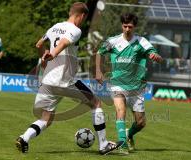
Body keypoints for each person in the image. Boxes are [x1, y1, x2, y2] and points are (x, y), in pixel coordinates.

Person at [15, 2, 122, 155]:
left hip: (48, 81)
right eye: (84, 19)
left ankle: (24, 138)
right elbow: (65, 42)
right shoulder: (75, 30)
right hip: (65, 80)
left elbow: (39, 45)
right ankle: (103, 145)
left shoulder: (54, 27)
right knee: (96, 102)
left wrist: (45, 60)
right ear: (82, 16)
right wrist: (53, 54)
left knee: (47, 118)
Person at [96, 13, 162, 154]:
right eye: (125, 26)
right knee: (121, 110)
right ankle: (123, 144)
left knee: (141, 123)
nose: (127, 29)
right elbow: (99, 52)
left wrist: (156, 57)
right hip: (117, 83)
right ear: (122, 25)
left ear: (135, 27)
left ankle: (128, 134)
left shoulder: (142, 42)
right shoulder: (113, 41)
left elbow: (158, 57)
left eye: (130, 26)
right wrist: (98, 71)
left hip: (136, 87)